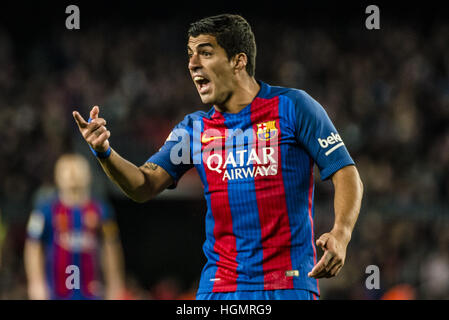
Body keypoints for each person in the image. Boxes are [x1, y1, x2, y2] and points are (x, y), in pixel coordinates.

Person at [72, 14, 363, 300]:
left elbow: (345, 172)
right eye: (190, 55)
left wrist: (341, 233)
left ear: (239, 60)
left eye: (205, 53)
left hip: (287, 284)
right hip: (219, 288)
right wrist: (104, 151)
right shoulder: (194, 130)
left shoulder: (294, 107)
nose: (192, 63)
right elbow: (143, 185)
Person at [24, 154, 125, 300]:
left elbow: (111, 247)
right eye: (67, 170)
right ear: (57, 177)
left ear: (88, 175)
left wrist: (115, 283)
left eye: (77, 170)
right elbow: (33, 246)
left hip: (92, 292)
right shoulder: (44, 211)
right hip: (55, 292)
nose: (72, 175)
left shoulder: (102, 211)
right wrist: (36, 283)